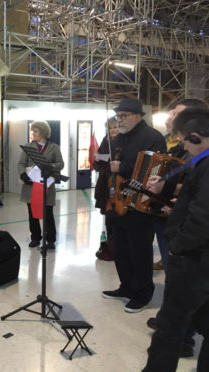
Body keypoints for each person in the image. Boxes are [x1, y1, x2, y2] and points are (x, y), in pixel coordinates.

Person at [143, 108, 209, 372]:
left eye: (182, 140)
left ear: (195, 137)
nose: (182, 146)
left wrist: (178, 246)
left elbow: (203, 219)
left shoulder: (205, 165)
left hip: (194, 259)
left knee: (169, 328)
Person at [101, 98, 166, 313]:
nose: (119, 120)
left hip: (140, 203)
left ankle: (142, 293)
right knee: (120, 249)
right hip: (118, 201)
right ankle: (126, 286)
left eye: (123, 116)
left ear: (138, 116)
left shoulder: (153, 138)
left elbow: (154, 170)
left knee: (140, 251)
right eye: (118, 116)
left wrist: (123, 166)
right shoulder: (119, 138)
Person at [18, 121, 64, 250]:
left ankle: (50, 239)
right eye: (32, 131)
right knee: (32, 213)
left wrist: (48, 166)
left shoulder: (54, 147)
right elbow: (21, 163)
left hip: (47, 185)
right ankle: (35, 237)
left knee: (48, 213)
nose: (33, 133)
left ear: (43, 132)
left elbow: (60, 164)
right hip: (31, 186)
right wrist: (22, 174)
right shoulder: (28, 146)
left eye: (35, 131)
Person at [94, 117, 119, 261]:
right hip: (105, 182)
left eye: (115, 127)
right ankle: (110, 246)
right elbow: (99, 159)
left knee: (114, 214)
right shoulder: (105, 140)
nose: (113, 130)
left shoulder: (122, 141)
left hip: (116, 181)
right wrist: (97, 159)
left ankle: (115, 246)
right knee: (108, 215)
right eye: (110, 128)